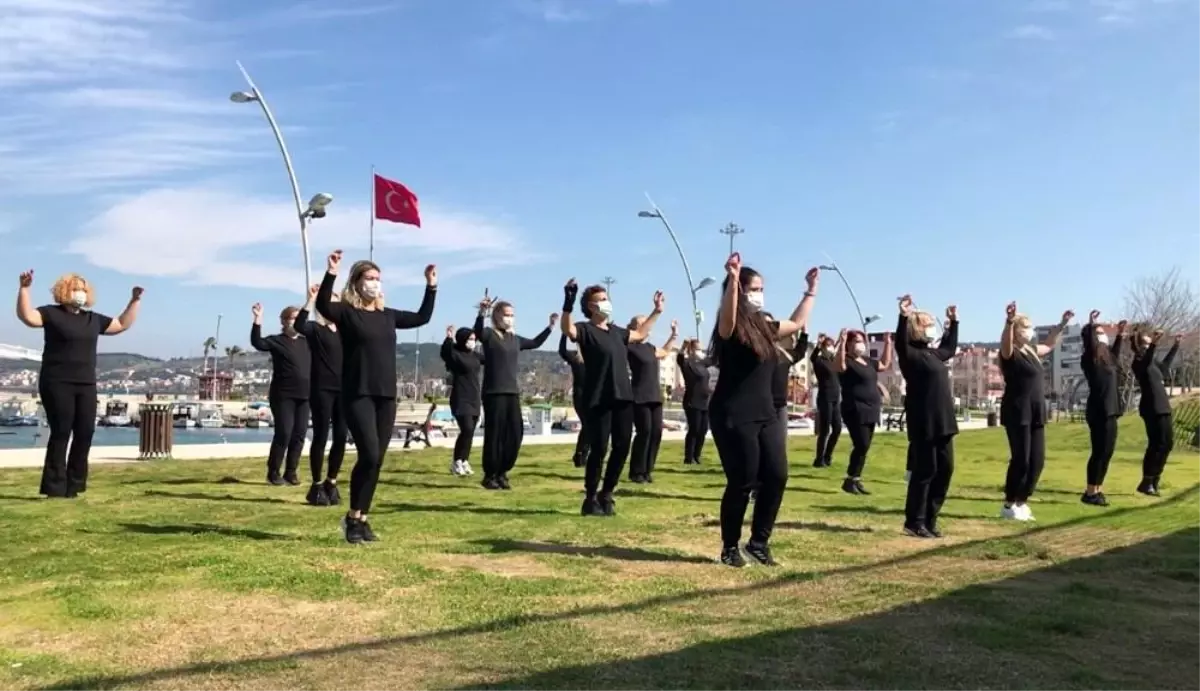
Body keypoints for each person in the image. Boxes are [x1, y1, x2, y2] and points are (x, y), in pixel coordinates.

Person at [315, 250, 436, 544]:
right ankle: (352, 518)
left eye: (378, 279)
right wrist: (331, 272)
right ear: (357, 283)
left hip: (385, 395)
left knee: (377, 460)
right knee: (368, 453)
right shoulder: (346, 312)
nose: (375, 283)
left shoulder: (387, 316)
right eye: (369, 278)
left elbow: (422, 317)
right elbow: (322, 304)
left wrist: (431, 286)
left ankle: (360, 518)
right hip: (357, 393)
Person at [708, 254, 818, 567]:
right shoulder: (727, 327)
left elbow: (796, 323)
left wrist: (810, 290)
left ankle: (759, 542)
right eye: (754, 288)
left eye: (761, 288)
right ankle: (730, 547)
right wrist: (732, 279)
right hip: (733, 413)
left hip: (766, 412)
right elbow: (728, 321)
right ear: (740, 292)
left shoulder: (764, 326)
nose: (760, 293)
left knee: (777, 475)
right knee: (742, 481)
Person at [16, 270, 142, 498]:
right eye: (76, 288)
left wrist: (134, 300)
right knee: (61, 431)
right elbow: (27, 317)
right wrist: (24, 288)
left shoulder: (92, 319)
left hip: (85, 383)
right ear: (65, 291)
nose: (81, 293)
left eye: (84, 289)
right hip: (56, 382)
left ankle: (74, 486)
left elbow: (121, 324)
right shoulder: (51, 314)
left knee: (85, 432)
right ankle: (55, 487)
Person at [560, 278, 663, 517]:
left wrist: (656, 311)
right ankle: (590, 498)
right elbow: (568, 329)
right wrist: (568, 302)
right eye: (602, 300)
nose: (607, 303)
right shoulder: (585, 330)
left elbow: (639, 334)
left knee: (622, 447)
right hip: (598, 399)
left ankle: (607, 494)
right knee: (599, 448)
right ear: (591, 306)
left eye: (607, 298)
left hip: (623, 398)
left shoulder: (617, 332)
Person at [472, 292, 555, 490]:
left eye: (512, 314)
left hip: (512, 392)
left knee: (515, 432)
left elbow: (535, 343)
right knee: (495, 434)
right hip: (494, 392)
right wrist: (482, 313)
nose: (510, 318)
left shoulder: (515, 339)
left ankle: (503, 470)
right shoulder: (490, 336)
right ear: (497, 316)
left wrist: (550, 326)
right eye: (506, 314)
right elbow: (477, 330)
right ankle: (490, 474)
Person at [998, 304, 1071, 521]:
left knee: (1037, 461)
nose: (1029, 331)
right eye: (1025, 328)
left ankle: (1022, 501)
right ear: (1016, 331)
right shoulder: (1009, 352)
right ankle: (1009, 504)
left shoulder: (1031, 350)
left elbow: (1049, 345)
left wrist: (1062, 325)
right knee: (1021, 460)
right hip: (1017, 410)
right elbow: (1005, 342)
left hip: (1037, 410)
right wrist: (1009, 322)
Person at [895, 295, 959, 539]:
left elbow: (949, 348)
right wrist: (903, 315)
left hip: (944, 421)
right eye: (927, 322)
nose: (932, 326)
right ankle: (914, 521)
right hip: (924, 420)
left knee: (945, 469)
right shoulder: (909, 353)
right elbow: (900, 340)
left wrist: (954, 323)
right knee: (925, 471)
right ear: (915, 327)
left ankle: (931, 519)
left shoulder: (933, 354)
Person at [294, 284, 347, 506]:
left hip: (344, 389)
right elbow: (299, 325)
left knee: (342, 437)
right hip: (321, 389)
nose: (334, 302)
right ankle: (316, 485)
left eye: (337, 298)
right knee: (321, 436)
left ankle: (331, 481)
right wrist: (310, 300)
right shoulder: (316, 329)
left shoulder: (345, 329)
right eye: (331, 299)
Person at [251, 302, 312, 486]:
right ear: (284, 321)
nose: (296, 321)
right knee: (284, 433)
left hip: (305, 395)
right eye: (293, 318)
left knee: (300, 434)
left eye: (299, 318)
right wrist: (257, 320)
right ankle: (273, 472)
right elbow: (258, 343)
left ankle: (291, 472)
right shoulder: (276, 341)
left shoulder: (307, 342)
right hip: (283, 394)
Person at [833, 328, 892, 495]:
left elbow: (884, 365)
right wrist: (842, 343)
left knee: (864, 447)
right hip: (855, 408)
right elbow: (839, 365)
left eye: (861, 340)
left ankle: (855, 479)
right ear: (850, 343)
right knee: (861, 444)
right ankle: (850, 479)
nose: (860, 344)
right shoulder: (847, 361)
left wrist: (888, 343)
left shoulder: (868, 361)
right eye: (856, 340)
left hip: (871, 408)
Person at [1079, 311, 1124, 506]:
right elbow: (1091, 344)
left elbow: (1116, 354)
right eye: (1099, 332)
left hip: (1112, 409)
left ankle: (1098, 489)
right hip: (1099, 410)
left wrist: (1120, 334)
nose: (1102, 334)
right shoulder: (1090, 358)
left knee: (1107, 452)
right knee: (1099, 451)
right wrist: (1092, 323)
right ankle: (1090, 492)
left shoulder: (1108, 358)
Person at [1130, 326, 1181, 496]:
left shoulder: (1153, 363)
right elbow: (1146, 360)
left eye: (1149, 343)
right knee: (1156, 444)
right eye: (1145, 343)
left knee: (1167, 443)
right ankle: (1146, 481)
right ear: (1139, 346)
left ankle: (1156, 479)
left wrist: (1176, 345)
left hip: (1163, 405)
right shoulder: (1138, 362)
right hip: (1151, 407)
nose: (1148, 345)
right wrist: (1154, 345)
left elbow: (1165, 366)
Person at [627, 318, 679, 483]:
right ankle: (636, 471)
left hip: (655, 396)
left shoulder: (650, 348)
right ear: (636, 327)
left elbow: (664, 352)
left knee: (656, 432)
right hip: (639, 395)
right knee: (645, 431)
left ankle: (648, 470)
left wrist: (673, 335)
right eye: (643, 323)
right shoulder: (629, 347)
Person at [441, 325, 481, 476]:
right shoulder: (456, 355)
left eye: (474, 339)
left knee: (470, 432)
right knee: (467, 429)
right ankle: (456, 461)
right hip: (461, 398)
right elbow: (446, 352)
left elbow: (491, 357)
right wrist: (449, 337)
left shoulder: (476, 356)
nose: (473, 342)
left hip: (475, 397)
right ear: (463, 339)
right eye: (470, 339)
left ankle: (464, 460)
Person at [809, 333, 842, 468]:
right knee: (825, 430)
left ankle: (828, 456)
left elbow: (839, 350)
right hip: (825, 398)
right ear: (823, 348)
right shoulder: (819, 362)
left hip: (836, 398)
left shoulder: (833, 361)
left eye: (831, 346)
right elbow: (812, 357)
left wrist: (841, 339)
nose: (830, 348)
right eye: (828, 346)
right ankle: (819, 459)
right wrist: (818, 345)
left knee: (837, 429)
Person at [676, 339, 712, 465]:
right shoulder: (688, 364)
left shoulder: (702, 364)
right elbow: (680, 358)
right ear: (692, 350)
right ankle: (688, 457)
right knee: (694, 428)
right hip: (692, 401)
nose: (699, 351)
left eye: (700, 349)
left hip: (705, 402)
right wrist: (683, 346)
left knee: (703, 429)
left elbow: (714, 358)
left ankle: (697, 455)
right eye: (697, 348)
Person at [558, 332, 588, 468]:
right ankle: (580, 455)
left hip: (595, 396)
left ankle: (582, 454)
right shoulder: (576, 358)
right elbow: (562, 351)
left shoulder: (597, 358)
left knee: (591, 427)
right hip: (581, 396)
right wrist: (564, 334)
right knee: (588, 425)